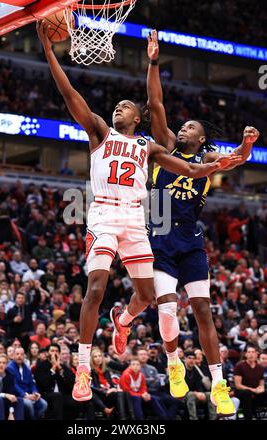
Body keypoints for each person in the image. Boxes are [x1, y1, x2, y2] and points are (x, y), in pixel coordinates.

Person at [37, 20, 236, 403]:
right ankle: (82, 369)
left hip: (135, 219)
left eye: (125, 106)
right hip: (103, 215)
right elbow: (69, 93)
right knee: (95, 287)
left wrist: (216, 166)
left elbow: (191, 170)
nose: (118, 108)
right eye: (116, 105)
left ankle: (122, 320)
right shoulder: (98, 130)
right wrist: (48, 51)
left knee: (145, 295)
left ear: (138, 119)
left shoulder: (148, 146)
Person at [139, 29, 259, 416]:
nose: (184, 128)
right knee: (168, 310)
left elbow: (238, 160)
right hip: (158, 235)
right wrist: (154, 62)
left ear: (202, 138)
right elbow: (155, 103)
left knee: (204, 312)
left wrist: (246, 146)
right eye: (184, 126)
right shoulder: (165, 146)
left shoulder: (207, 165)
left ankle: (220, 382)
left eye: (191, 127)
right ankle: (174, 363)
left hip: (190, 240)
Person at [34, 343, 94, 420]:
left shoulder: (63, 367)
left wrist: (60, 368)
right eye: (52, 351)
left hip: (62, 395)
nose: (54, 353)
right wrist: (53, 368)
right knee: (57, 396)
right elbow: (43, 383)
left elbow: (72, 383)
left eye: (57, 351)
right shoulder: (41, 366)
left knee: (84, 399)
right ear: (47, 353)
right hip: (46, 395)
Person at [90, 347, 133, 420]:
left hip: (110, 393)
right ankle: (123, 418)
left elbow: (112, 385)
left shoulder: (106, 371)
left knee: (126, 393)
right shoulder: (90, 371)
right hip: (100, 395)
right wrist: (106, 391)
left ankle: (131, 417)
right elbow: (92, 387)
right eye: (95, 356)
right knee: (120, 394)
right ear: (92, 359)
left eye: (100, 356)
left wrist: (114, 389)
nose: (98, 358)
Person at [137, 348, 178, 419]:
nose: (143, 356)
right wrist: (153, 380)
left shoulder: (152, 368)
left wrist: (153, 380)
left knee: (175, 401)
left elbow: (159, 382)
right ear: (137, 356)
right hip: (145, 392)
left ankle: (169, 418)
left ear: (147, 356)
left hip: (157, 391)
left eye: (145, 354)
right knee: (158, 400)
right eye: (141, 354)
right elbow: (141, 381)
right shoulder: (135, 368)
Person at [8, 347, 48, 420]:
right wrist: (24, 395)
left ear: (24, 356)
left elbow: (32, 383)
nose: (19, 356)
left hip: (29, 394)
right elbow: (14, 385)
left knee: (44, 404)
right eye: (17, 354)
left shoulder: (26, 368)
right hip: (18, 395)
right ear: (13, 355)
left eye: (22, 354)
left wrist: (35, 392)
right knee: (29, 404)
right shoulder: (9, 368)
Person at [234, 345, 267, 419]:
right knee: (247, 393)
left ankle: (258, 415)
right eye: (249, 352)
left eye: (253, 352)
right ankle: (249, 417)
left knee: (264, 392)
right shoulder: (239, 366)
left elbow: (261, 384)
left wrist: (261, 389)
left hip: (254, 391)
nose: (251, 354)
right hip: (241, 391)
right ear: (246, 354)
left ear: (256, 354)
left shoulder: (260, 368)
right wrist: (252, 389)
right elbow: (238, 385)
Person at [183, 351, 216, 420]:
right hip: (183, 395)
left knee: (210, 395)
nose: (191, 360)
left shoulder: (196, 370)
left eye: (193, 358)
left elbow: (199, 385)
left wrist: (201, 393)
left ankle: (213, 418)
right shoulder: (181, 370)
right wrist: (196, 393)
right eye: (189, 358)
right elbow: (182, 388)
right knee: (191, 395)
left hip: (195, 394)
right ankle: (193, 418)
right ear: (184, 359)